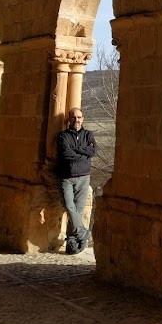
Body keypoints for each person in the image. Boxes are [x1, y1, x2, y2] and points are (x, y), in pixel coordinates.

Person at [57, 108, 96, 255]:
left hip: (84, 177)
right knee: (69, 206)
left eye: (79, 117)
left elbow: (92, 151)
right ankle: (83, 233)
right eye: (73, 117)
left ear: (83, 118)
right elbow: (66, 154)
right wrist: (83, 154)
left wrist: (77, 149)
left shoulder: (88, 135)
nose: (76, 120)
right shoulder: (63, 136)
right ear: (69, 120)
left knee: (78, 211)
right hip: (66, 177)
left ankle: (72, 241)